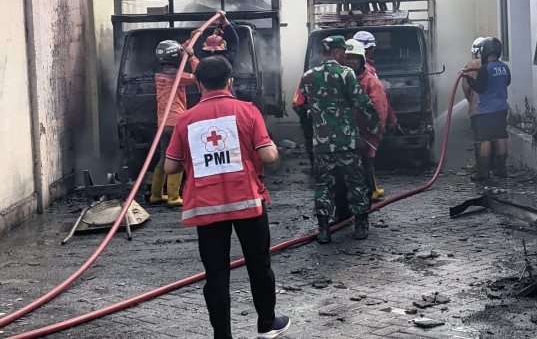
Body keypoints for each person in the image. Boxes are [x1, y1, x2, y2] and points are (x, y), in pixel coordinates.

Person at [163, 56, 290, 339]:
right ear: (230, 82)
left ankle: (222, 335)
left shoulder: (185, 119)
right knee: (259, 264)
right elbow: (268, 155)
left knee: (216, 273)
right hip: (247, 203)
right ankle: (267, 325)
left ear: (198, 84)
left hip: (206, 208)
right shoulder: (247, 110)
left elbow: (170, 166)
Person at [293, 35, 381, 243]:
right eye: (344, 52)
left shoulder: (307, 76)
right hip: (347, 142)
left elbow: (299, 104)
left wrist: (313, 114)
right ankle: (360, 225)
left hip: (322, 144)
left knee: (324, 185)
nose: (345, 56)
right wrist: (375, 125)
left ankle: (324, 229)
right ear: (337, 52)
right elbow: (362, 102)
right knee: (356, 183)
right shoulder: (345, 73)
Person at [150, 39, 199, 207]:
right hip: (175, 123)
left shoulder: (160, 74)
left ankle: (156, 195)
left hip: (163, 124)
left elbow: (174, 53)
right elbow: (199, 76)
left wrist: (187, 42)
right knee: (178, 158)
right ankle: (173, 197)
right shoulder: (178, 76)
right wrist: (192, 57)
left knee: (163, 157)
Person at [343, 39, 390, 201]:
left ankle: (369, 195)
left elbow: (379, 108)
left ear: (361, 60)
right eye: (346, 57)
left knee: (365, 162)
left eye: (354, 58)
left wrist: (374, 130)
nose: (350, 62)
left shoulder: (371, 82)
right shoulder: (339, 79)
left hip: (364, 133)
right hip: (344, 134)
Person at [463, 37, 511, 180]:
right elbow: (507, 82)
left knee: (485, 140)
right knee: (501, 137)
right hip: (502, 109)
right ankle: (501, 170)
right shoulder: (504, 67)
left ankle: (483, 173)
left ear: (485, 51)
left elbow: (480, 88)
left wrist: (469, 79)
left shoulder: (485, 69)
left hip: (486, 111)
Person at [460, 37, 485, 172]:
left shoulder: (472, 65)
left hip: (477, 109)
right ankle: (492, 164)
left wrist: (470, 100)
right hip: (493, 109)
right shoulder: (492, 64)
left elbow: (466, 86)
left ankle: (480, 165)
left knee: (479, 138)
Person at [201, 10, 240, 96]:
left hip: (208, 97)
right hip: (227, 95)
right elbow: (234, 40)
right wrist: (224, 20)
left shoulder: (203, 61)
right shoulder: (227, 59)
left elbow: (209, 46)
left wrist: (214, 36)